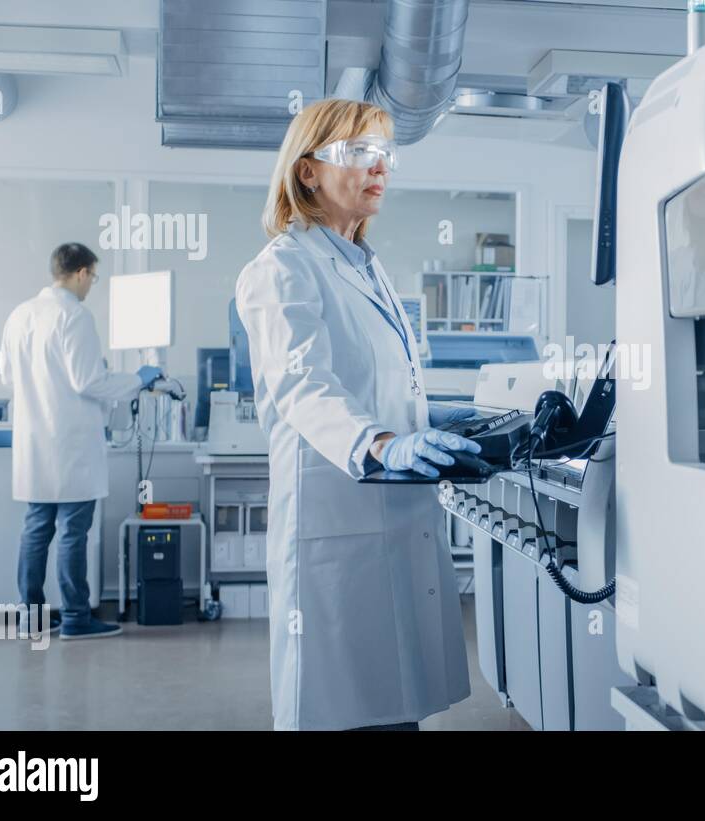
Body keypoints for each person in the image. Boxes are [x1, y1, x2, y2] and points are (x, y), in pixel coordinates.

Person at [237, 98, 480, 731]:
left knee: (395, 709)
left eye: (384, 155)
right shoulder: (283, 268)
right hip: (335, 525)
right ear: (308, 171)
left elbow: (382, 381)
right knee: (347, 709)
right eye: (357, 153)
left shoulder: (367, 267)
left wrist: (438, 416)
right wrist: (378, 443)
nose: (378, 168)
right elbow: (302, 386)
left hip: (392, 520)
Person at [0, 243, 162, 640]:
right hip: (69, 444)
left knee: (36, 529)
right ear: (82, 272)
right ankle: (75, 617)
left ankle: (31, 618)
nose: (92, 285)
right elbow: (89, 381)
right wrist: (141, 378)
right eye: (94, 277)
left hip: (35, 445)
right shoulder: (74, 315)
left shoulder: (20, 315)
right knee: (73, 531)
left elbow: (7, 375)